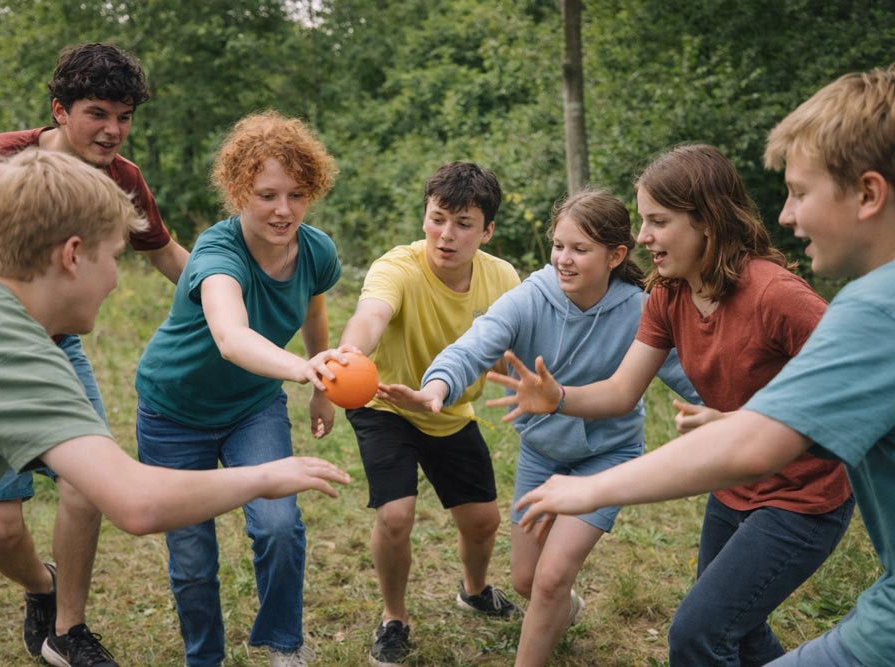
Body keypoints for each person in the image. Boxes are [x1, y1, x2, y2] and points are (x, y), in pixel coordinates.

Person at [0, 148, 350, 667]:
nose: (115, 279)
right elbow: (137, 503)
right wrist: (269, 477)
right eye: (113, 257)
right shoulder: (15, 361)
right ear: (72, 255)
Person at [490, 138, 867, 666]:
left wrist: (737, 421)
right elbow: (622, 392)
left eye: (658, 221)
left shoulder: (776, 296)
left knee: (696, 633)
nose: (642, 236)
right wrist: (559, 398)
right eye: (643, 221)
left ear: (706, 221)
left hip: (802, 498)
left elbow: (856, 389)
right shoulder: (668, 295)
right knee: (736, 628)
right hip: (732, 486)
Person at [0, 42, 189, 667]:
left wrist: (227, 311)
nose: (113, 130)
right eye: (97, 112)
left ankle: (67, 628)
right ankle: (41, 587)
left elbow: (165, 253)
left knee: (91, 481)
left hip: (54, 348)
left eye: (125, 116)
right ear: (59, 110)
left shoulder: (123, 179)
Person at [379, 189, 698, 666]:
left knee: (549, 579)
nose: (563, 260)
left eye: (580, 250)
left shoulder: (640, 310)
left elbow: (689, 372)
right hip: (542, 455)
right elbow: (474, 345)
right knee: (528, 582)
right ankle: (559, 610)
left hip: (606, 457)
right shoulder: (530, 296)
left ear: (616, 256)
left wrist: (741, 416)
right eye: (558, 246)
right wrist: (437, 387)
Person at [134, 111, 349, 667]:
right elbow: (231, 337)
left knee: (279, 524)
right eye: (267, 194)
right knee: (191, 558)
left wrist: (320, 379)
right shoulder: (217, 253)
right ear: (236, 191)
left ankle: (283, 644)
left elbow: (313, 310)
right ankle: (204, 659)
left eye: (297, 194)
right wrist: (301, 371)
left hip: (252, 407)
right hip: (172, 412)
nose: (284, 210)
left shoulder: (316, 249)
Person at [337, 161, 522, 667]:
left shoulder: (503, 277)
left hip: (450, 409)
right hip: (388, 403)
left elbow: (513, 349)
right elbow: (370, 315)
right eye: (438, 218)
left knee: (483, 521)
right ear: (424, 216)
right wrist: (350, 356)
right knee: (396, 516)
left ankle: (475, 590)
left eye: (464, 224)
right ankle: (393, 618)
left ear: (487, 231)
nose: (447, 235)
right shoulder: (396, 266)